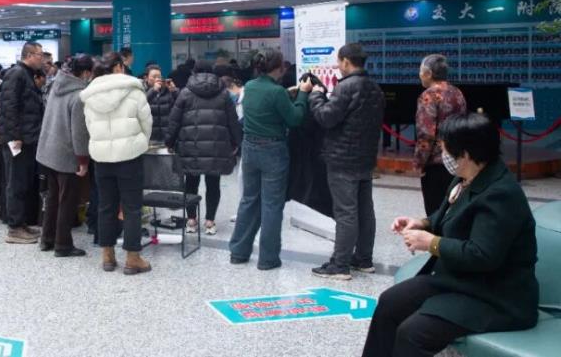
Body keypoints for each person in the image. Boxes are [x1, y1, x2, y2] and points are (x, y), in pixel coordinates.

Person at [362, 113, 539, 357]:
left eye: (444, 149)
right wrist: (422, 223)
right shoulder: (466, 177)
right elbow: (448, 216)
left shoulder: (501, 194)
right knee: (389, 303)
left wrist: (431, 243)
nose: (442, 154)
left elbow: (482, 255)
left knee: (412, 333)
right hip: (460, 279)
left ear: (465, 154)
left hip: (496, 296)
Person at [229, 48, 313, 270]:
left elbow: (265, 103)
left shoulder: (250, 87)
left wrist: (287, 93)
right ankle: (268, 259)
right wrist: (303, 95)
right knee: (272, 205)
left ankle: (238, 252)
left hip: (249, 149)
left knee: (249, 200)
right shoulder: (277, 92)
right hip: (273, 152)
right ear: (280, 68)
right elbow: (294, 118)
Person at [307, 43, 385, 280]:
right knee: (365, 211)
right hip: (365, 158)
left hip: (342, 160)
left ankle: (340, 265)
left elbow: (326, 117)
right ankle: (363, 259)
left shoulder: (346, 87)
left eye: (339, 62)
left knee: (346, 213)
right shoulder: (375, 87)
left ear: (346, 62)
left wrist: (316, 96)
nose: (338, 66)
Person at [81, 52, 153, 275]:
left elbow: (89, 126)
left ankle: (108, 256)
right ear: (120, 67)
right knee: (132, 208)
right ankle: (132, 258)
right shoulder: (133, 90)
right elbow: (146, 122)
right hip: (130, 157)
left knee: (105, 207)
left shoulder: (90, 94)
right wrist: (141, 142)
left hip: (102, 158)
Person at [165, 60, 242, 236]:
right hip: (216, 147)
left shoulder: (185, 93)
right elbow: (233, 121)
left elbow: (174, 121)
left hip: (190, 146)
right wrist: (236, 142)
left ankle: (191, 220)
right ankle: (210, 222)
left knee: (191, 183)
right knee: (213, 184)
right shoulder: (223, 94)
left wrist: (169, 142)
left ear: (194, 72)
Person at [36, 54, 93, 258]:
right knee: (67, 201)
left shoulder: (56, 86)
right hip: (66, 155)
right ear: (85, 72)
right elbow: (79, 133)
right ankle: (63, 245)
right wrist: (83, 161)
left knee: (52, 198)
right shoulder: (78, 96)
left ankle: (47, 239)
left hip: (48, 151)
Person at [0, 42, 46, 244]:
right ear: (29, 55)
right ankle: (14, 228)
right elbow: (9, 107)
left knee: (23, 182)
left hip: (28, 138)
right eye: (40, 55)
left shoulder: (26, 74)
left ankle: (21, 222)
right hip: (18, 140)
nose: (42, 59)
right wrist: (15, 136)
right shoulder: (17, 74)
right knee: (16, 183)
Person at [414, 54, 468, 216]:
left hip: (436, 163)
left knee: (435, 211)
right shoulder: (457, 92)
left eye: (421, 71)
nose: (419, 75)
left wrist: (420, 163)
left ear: (428, 73)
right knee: (453, 210)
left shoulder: (429, 95)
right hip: (458, 160)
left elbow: (426, 134)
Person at [145, 65, 177, 143]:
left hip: (166, 137)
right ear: (146, 78)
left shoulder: (167, 90)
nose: (157, 79)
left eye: (159, 76)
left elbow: (179, 105)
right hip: (150, 138)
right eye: (154, 77)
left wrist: (174, 91)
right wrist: (153, 91)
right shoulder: (142, 90)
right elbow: (141, 104)